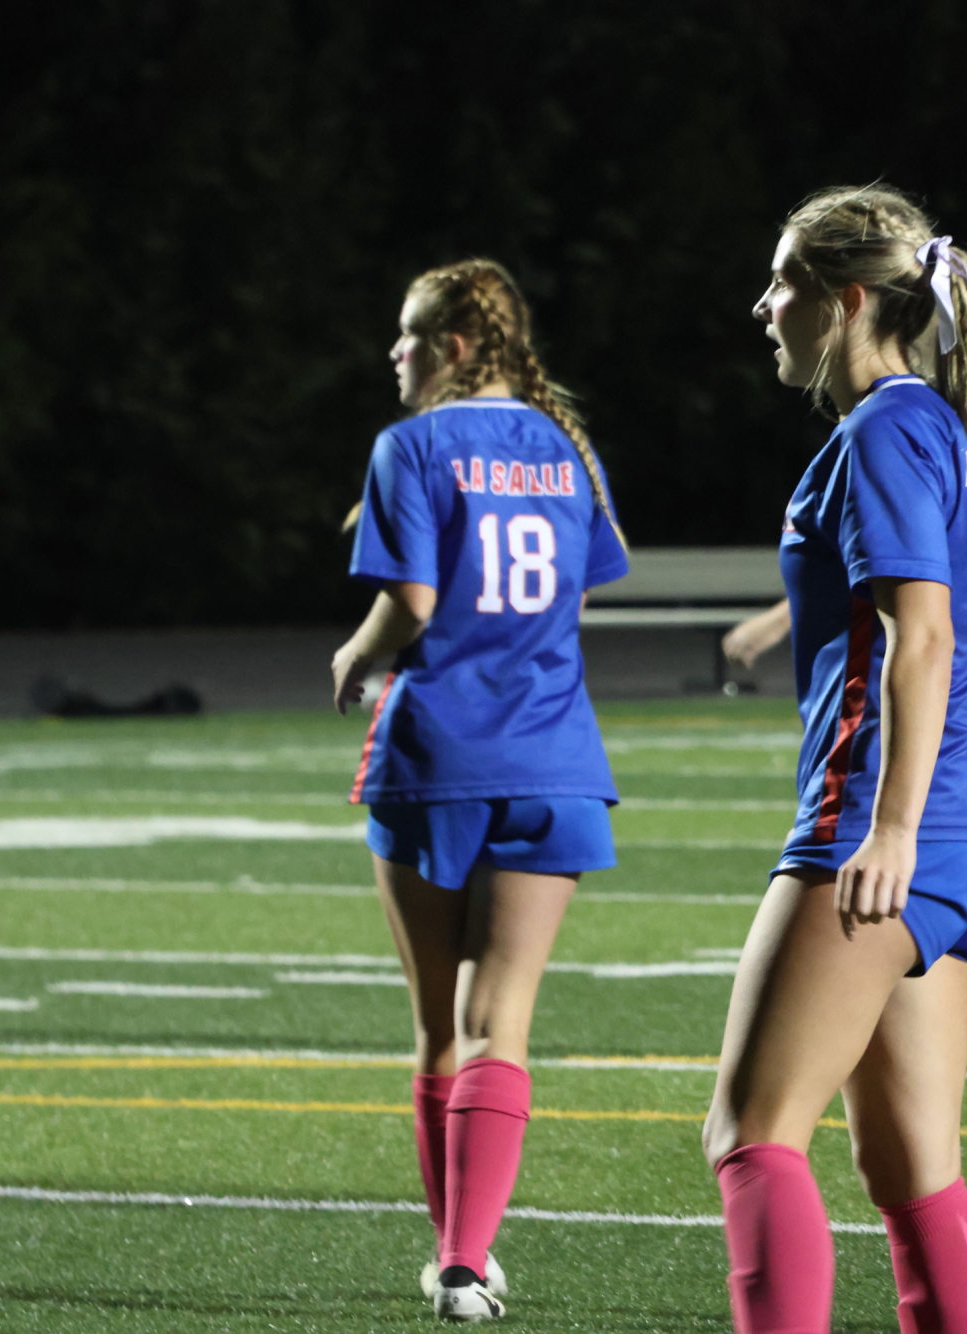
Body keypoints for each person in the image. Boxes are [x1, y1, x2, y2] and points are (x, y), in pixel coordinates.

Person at [702, 186, 967, 1334]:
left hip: (886, 833)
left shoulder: (882, 424)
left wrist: (885, 824)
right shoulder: (932, 422)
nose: (762, 305)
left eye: (783, 282)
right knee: (912, 1168)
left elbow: (923, 632)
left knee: (750, 1133)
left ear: (844, 301)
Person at [330, 258, 629, 1323]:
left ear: (457, 345)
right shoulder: (566, 444)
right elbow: (570, 596)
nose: (395, 353)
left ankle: (454, 1256)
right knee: (504, 1020)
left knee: (438, 1029)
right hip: (554, 758)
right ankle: (467, 1256)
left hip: (436, 755)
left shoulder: (408, 445)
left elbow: (410, 599)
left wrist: (354, 653)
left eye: (410, 335)